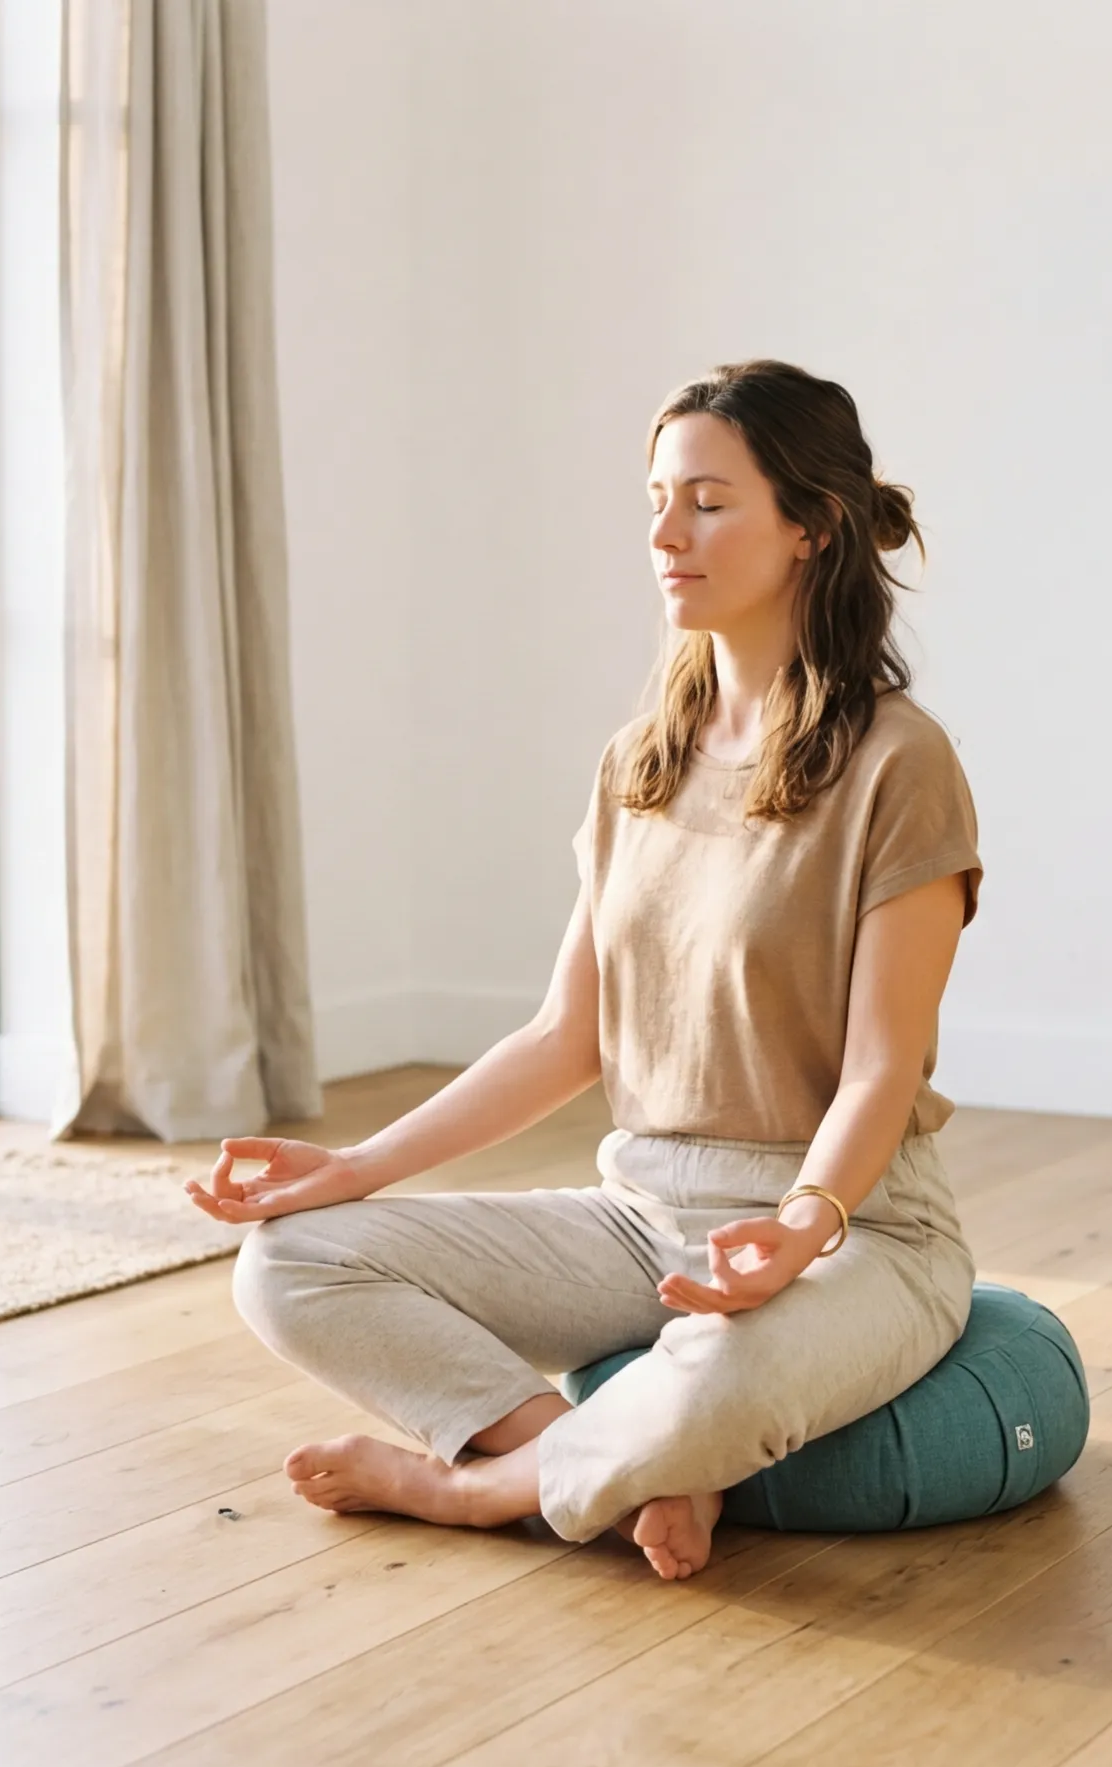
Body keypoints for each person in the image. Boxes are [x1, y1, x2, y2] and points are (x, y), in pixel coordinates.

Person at [188, 359, 982, 1581]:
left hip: (857, 1226)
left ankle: (476, 1490)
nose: (666, 533)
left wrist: (798, 1226)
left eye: (708, 501)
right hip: (643, 1215)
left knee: (724, 1371)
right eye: (657, 499)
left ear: (810, 526)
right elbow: (567, 1035)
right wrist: (351, 1167)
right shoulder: (640, 763)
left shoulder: (899, 763)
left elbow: (881, 1067)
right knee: (290, 1261)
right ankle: (601, 1470)